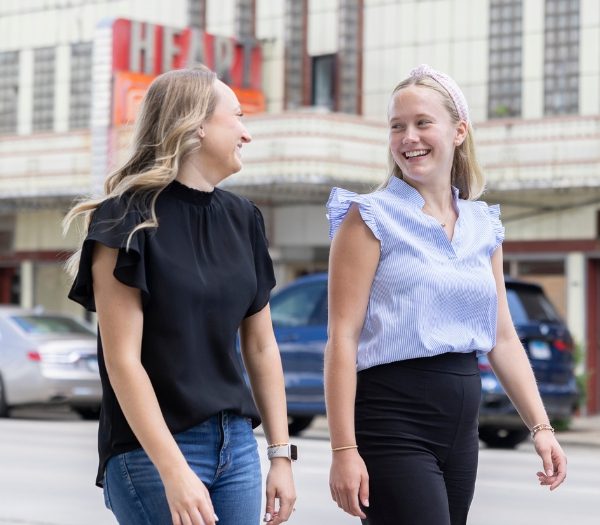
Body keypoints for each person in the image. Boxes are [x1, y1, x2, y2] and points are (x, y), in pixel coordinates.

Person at [324, 64, 567, 525]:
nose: (408, 137)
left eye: (422, 123)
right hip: (391, 417)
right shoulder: (370, 217)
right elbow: (342, 337)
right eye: (397, 126)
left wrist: (542, 427)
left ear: (459, 131)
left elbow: (502, 338)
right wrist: (343, 449)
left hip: (460, 424)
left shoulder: (481, 224)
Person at [63, 66, 296, 525]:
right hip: (154, 449)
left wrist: (280, 455)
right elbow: (122, 361)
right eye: (238, 117)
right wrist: (174, 469)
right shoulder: (123, 219)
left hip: (236, 443)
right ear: (197, 125)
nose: (247, 134)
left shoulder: (244, 218)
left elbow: (261, 345)